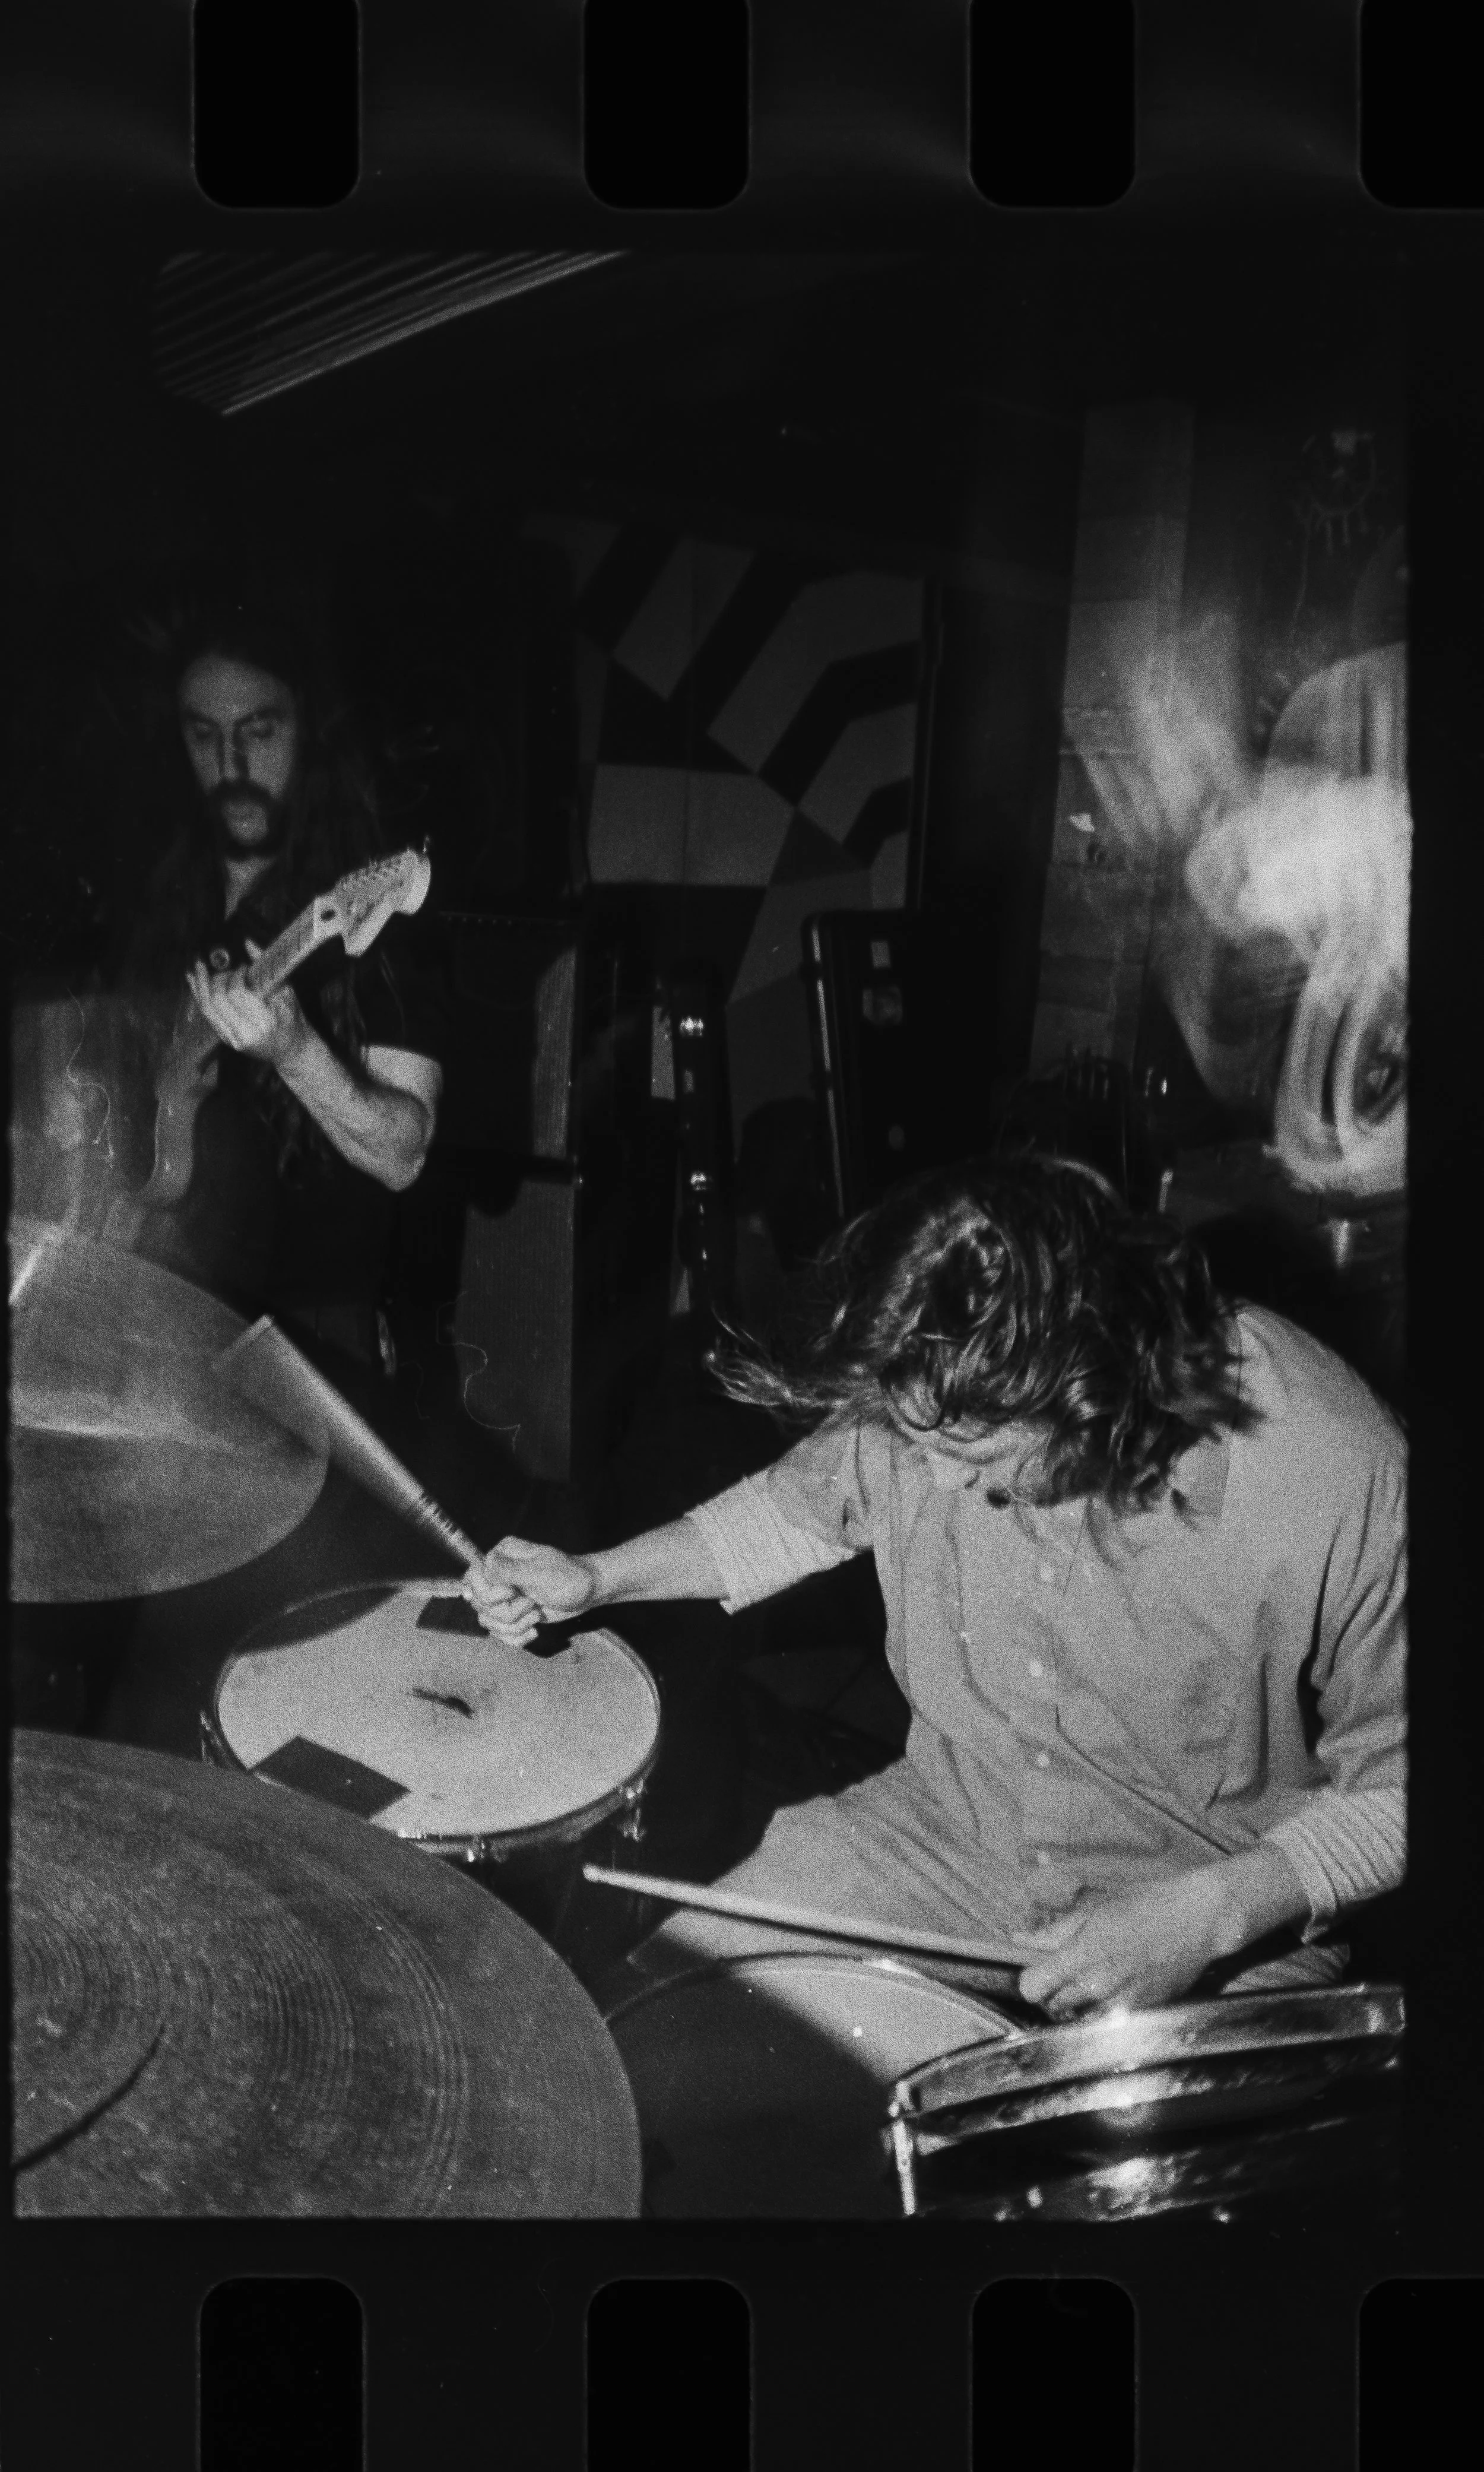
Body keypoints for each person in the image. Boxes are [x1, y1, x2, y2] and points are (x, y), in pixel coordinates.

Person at [464, 1155, 1406, 2018]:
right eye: (914, 1443)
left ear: (1096, 1387)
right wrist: (598, 1578)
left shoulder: (1330, 1462)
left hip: (1223, 1918)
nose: (936, 1481)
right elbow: (797, 1513)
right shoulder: (937, 1381)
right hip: (953, 1838)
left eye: (976, 1455)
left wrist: (1208, 1917)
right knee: (661, 2020)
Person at [108, 585, 444, 1369]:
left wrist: (296, 1051)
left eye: (259, 731)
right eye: (204, 736)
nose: (231, 766)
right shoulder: (163, 907)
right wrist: (165, 1100)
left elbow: (404, 1154)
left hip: (315, 1341)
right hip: (172, 1317)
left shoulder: (371, 920)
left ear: (309, 732)